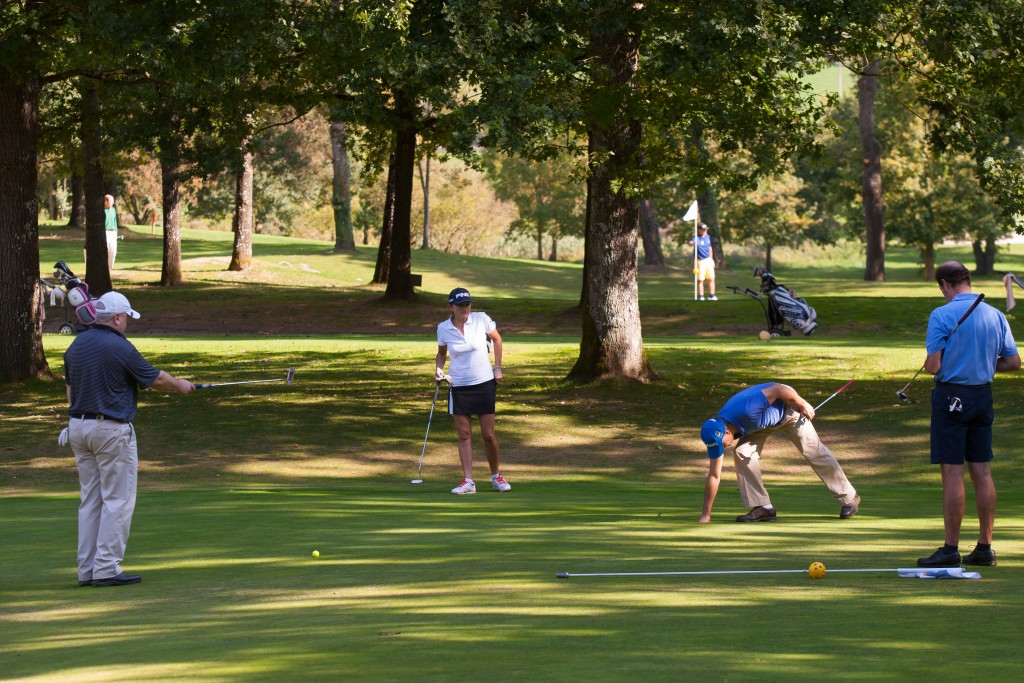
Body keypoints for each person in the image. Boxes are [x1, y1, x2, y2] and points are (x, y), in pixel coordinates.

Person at [62, 291, 195, 587]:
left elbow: (70, 390)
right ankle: (107, 567)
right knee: (117, 500)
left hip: (78, 427)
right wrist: (181, 386)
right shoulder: (119, 347)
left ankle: (87, 570)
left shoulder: (76, 345)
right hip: (109, 430)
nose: (127, 324)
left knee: (91, 501)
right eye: (126, 319)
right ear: (118, 317)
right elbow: (155, 379)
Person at [917, 261, 1019, 568]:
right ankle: (985, 548)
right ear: (968, 281)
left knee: (952, 473)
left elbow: (934, 366)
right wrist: (987, 365)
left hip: (952, 397)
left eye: (942, 288)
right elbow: (1013, 362)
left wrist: (937, 362)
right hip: (982, 396)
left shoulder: (941, 314)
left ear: (946, 284)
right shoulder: (995, 314)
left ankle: (950, 548)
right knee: (982, 471)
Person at [698, 382, 860, 523]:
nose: (720, 448)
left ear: (727, 432)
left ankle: (849, 497)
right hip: (761, 422)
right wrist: (706, 514)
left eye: (720, 444)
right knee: (742, 452)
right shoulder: (716, 432)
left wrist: (801, 402)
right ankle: (764, 507)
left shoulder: (746, 410)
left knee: (814, 450)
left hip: (788, 409)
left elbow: (778, 389)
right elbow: (714, 475)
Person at [435, 287, 510, 495]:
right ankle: (468, 481)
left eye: (467, 304)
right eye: (460, 305)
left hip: (484, 382)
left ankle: (496, 476)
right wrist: (438, 370)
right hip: (458, 385)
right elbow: (441, 354)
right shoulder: (443, 328)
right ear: (451, 307)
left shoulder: (481, 319)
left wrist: (497, 367)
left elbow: (497, 339)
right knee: (464, 434)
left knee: (488, 434)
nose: (465, 308)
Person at [690, 223, 717, 301]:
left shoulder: (708, 237)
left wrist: (711, 259)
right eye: (703, 230)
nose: (704, 231)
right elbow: (690, 243)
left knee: (711, 278)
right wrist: (693, 243)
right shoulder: (696, 238)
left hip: (708, 260)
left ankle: (712, 295)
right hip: (700, 261)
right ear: (699, 230)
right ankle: (701, 296)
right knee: (701, 280)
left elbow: (710, 248)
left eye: (705, 230)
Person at [104, 194, 119, 269]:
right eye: (111, 201)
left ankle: (110, 269)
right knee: (105, 252)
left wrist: (116, 232)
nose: (113, 203)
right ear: (106, 202)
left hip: (113, 233)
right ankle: (104, 269)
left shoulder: (113, 209)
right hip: (105, 232)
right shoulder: (101, 210)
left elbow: (115, 222)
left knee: (113, 252)